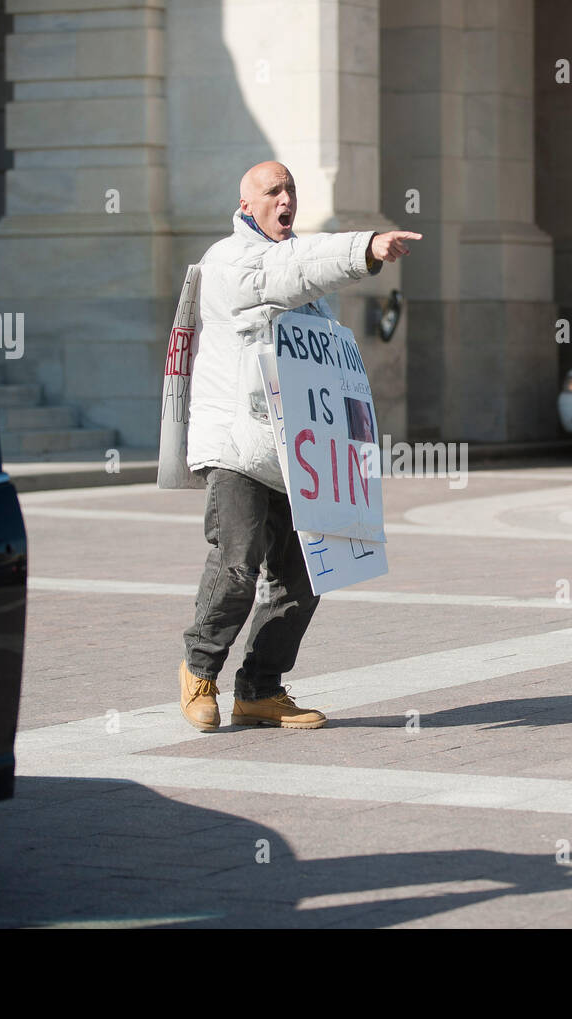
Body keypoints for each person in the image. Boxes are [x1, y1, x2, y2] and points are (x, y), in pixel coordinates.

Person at [179, 160, 420, 731]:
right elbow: (287, 272)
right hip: (239, 445)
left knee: (306, 575)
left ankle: (261, 689)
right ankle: (199, 669)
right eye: (272, 190)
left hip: (298, 452)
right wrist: (365, 248)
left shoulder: (305, 285)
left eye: (290, 189)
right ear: (246, 208)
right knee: (237, 563)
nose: (285, 198)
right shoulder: (232, 261)